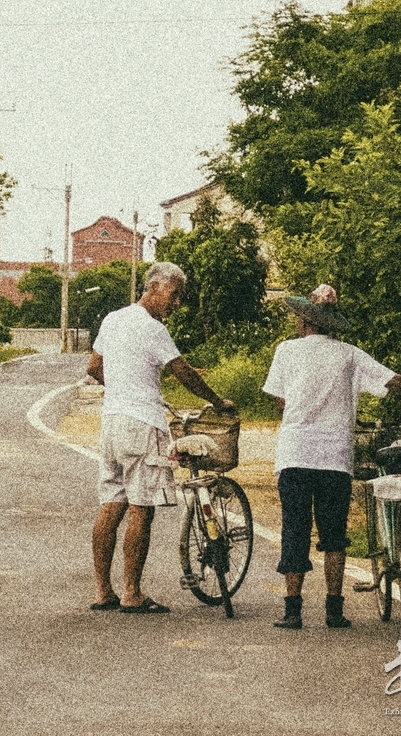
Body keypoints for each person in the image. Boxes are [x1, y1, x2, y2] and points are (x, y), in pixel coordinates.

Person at [262, 284, 401, 629]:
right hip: (335, 457)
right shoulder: (349, 355)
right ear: (332, 322)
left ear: (304, 319)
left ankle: (293, 610)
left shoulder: (286, 351)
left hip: (295, 453)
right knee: (334, 535)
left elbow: (279, 401)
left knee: (294, 530)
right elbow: (397, 381)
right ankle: (333, 609)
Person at [85, 262, 236, 614]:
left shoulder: (113, 319)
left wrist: (123, 387)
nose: (177, 302)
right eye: (174, 293)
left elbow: (94, 367)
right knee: (142, 507)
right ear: (152, 287)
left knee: (112, 504)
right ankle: (132, 593)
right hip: (142, 425)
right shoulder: (153, 329)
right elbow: (182, 371)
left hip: (112, 423)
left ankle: (103, 591)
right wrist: (216, 401)